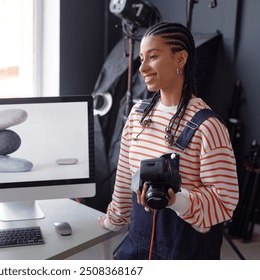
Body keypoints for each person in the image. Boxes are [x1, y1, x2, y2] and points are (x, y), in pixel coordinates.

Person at [99, 21, 239, 259]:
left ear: (180, 59)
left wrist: (177, 201)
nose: (142, 68)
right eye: (141, 58)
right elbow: (123, 179)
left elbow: (225, 201)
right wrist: (114, 219)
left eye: (152, 57)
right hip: (137, 246)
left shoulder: (208, 127)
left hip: (185, 253)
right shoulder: (137, 117)